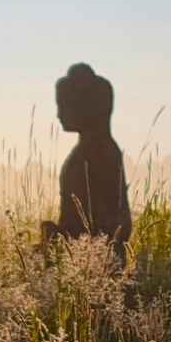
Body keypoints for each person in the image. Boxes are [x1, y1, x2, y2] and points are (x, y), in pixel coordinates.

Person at [42, 62, 132, 253]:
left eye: (64, 106)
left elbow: (110, 225)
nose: (58, 115)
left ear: (85, 107)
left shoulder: (99, 154)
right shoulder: (94, 151)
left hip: (93, 259)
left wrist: (60, 240)